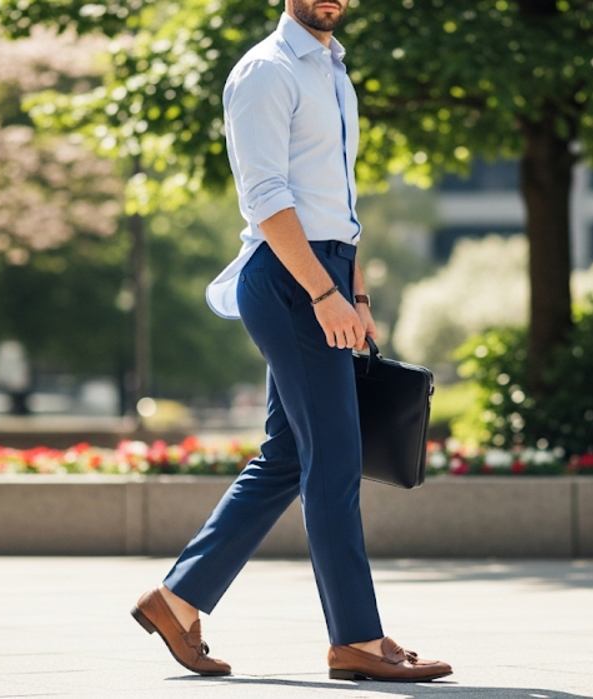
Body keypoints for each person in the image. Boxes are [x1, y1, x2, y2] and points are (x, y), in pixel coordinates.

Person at [130, 0, 452, 683]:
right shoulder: (264, 71)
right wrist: (322, 291)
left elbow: (341, 201)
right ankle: (355, 639)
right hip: (287, 275)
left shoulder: (335, 73)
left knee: (286, 457)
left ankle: (176, 599)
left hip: (326, 269)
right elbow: (266, 197)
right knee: (332, 458)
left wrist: (355, 292)